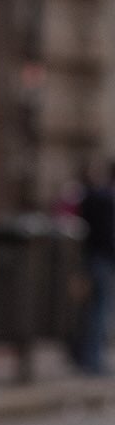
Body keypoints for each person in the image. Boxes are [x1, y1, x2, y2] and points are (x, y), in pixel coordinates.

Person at [77, 160, 115, 373]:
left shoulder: (90, 196)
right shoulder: (104, 199)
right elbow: (107, 234)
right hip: (101, 260)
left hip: (90, 259)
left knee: (94, 310)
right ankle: (93, 360)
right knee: (99, 311)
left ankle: (89, 357)